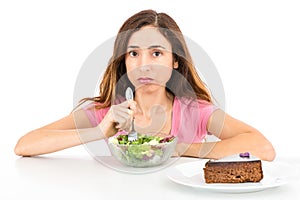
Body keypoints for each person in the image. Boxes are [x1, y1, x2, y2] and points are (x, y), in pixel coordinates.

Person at [14, 9, 275, 161]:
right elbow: (24, 145)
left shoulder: (195, 111)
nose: (144, 65)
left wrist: (178, 149)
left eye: (157, 53)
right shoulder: (108, 111)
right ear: (123, 61)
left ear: (175, 61)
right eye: (134, 53)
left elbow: (263, 147)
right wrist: (100, 131)